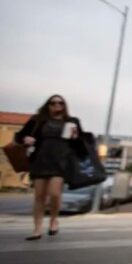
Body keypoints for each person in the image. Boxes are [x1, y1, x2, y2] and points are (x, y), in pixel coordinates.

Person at [15, 95, 84, 241]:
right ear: (48, 105)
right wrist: (25, 139)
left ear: (64, 105)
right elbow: (19, 136)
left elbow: (81, 145)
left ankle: (53, 220)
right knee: (39, 196)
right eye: (53, 103)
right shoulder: (37, 120)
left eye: (60, 103)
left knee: (54, 193)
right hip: (40, 160)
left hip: (60, 162)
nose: (57, 105)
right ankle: (37, 229)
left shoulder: (72, 121)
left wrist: (76, 138)